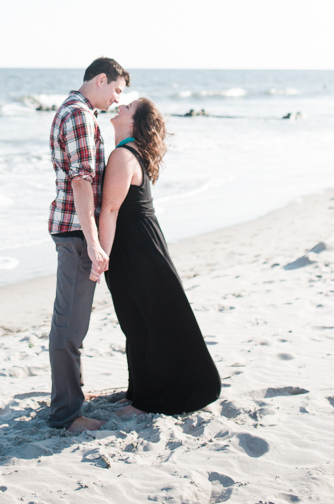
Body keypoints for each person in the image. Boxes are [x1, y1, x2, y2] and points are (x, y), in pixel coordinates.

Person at [96, 97, 221, 417]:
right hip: (142, 247)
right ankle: (138, 392)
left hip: (135, 250)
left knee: (142, 322)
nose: (121, 105)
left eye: (129, 107)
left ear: (134, 123)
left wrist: (100, 257)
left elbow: (109, 210)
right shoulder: (130, 153)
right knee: (138, 322)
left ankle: (147, 402)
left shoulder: (123, 155)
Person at [47, 57, 131, 432]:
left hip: (73, 229)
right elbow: (82, 183)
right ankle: (66, 415)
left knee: (71, 325)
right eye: (116, 90)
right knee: (69, 327)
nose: (116, 99)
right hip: (75, 232)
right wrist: (94, 241)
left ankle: (69, 402)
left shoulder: (74, 111)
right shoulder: (80, 115)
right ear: (100, 79)